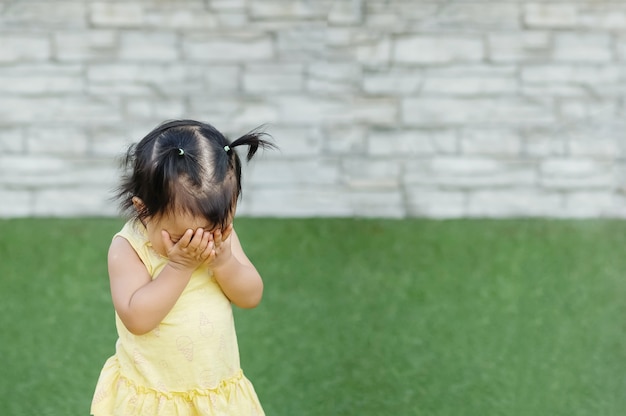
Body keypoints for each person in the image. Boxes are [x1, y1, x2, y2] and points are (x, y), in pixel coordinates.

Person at [91, 119, 274, 415]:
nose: (198, 244)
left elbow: (250, 296)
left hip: (216, 395)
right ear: (143, 210)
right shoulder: (129, 248)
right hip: (154, 400)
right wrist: (179, 266)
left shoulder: (221, 238)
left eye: (213, 231)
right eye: (181, 237)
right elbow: (137, 319)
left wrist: (225, 261)